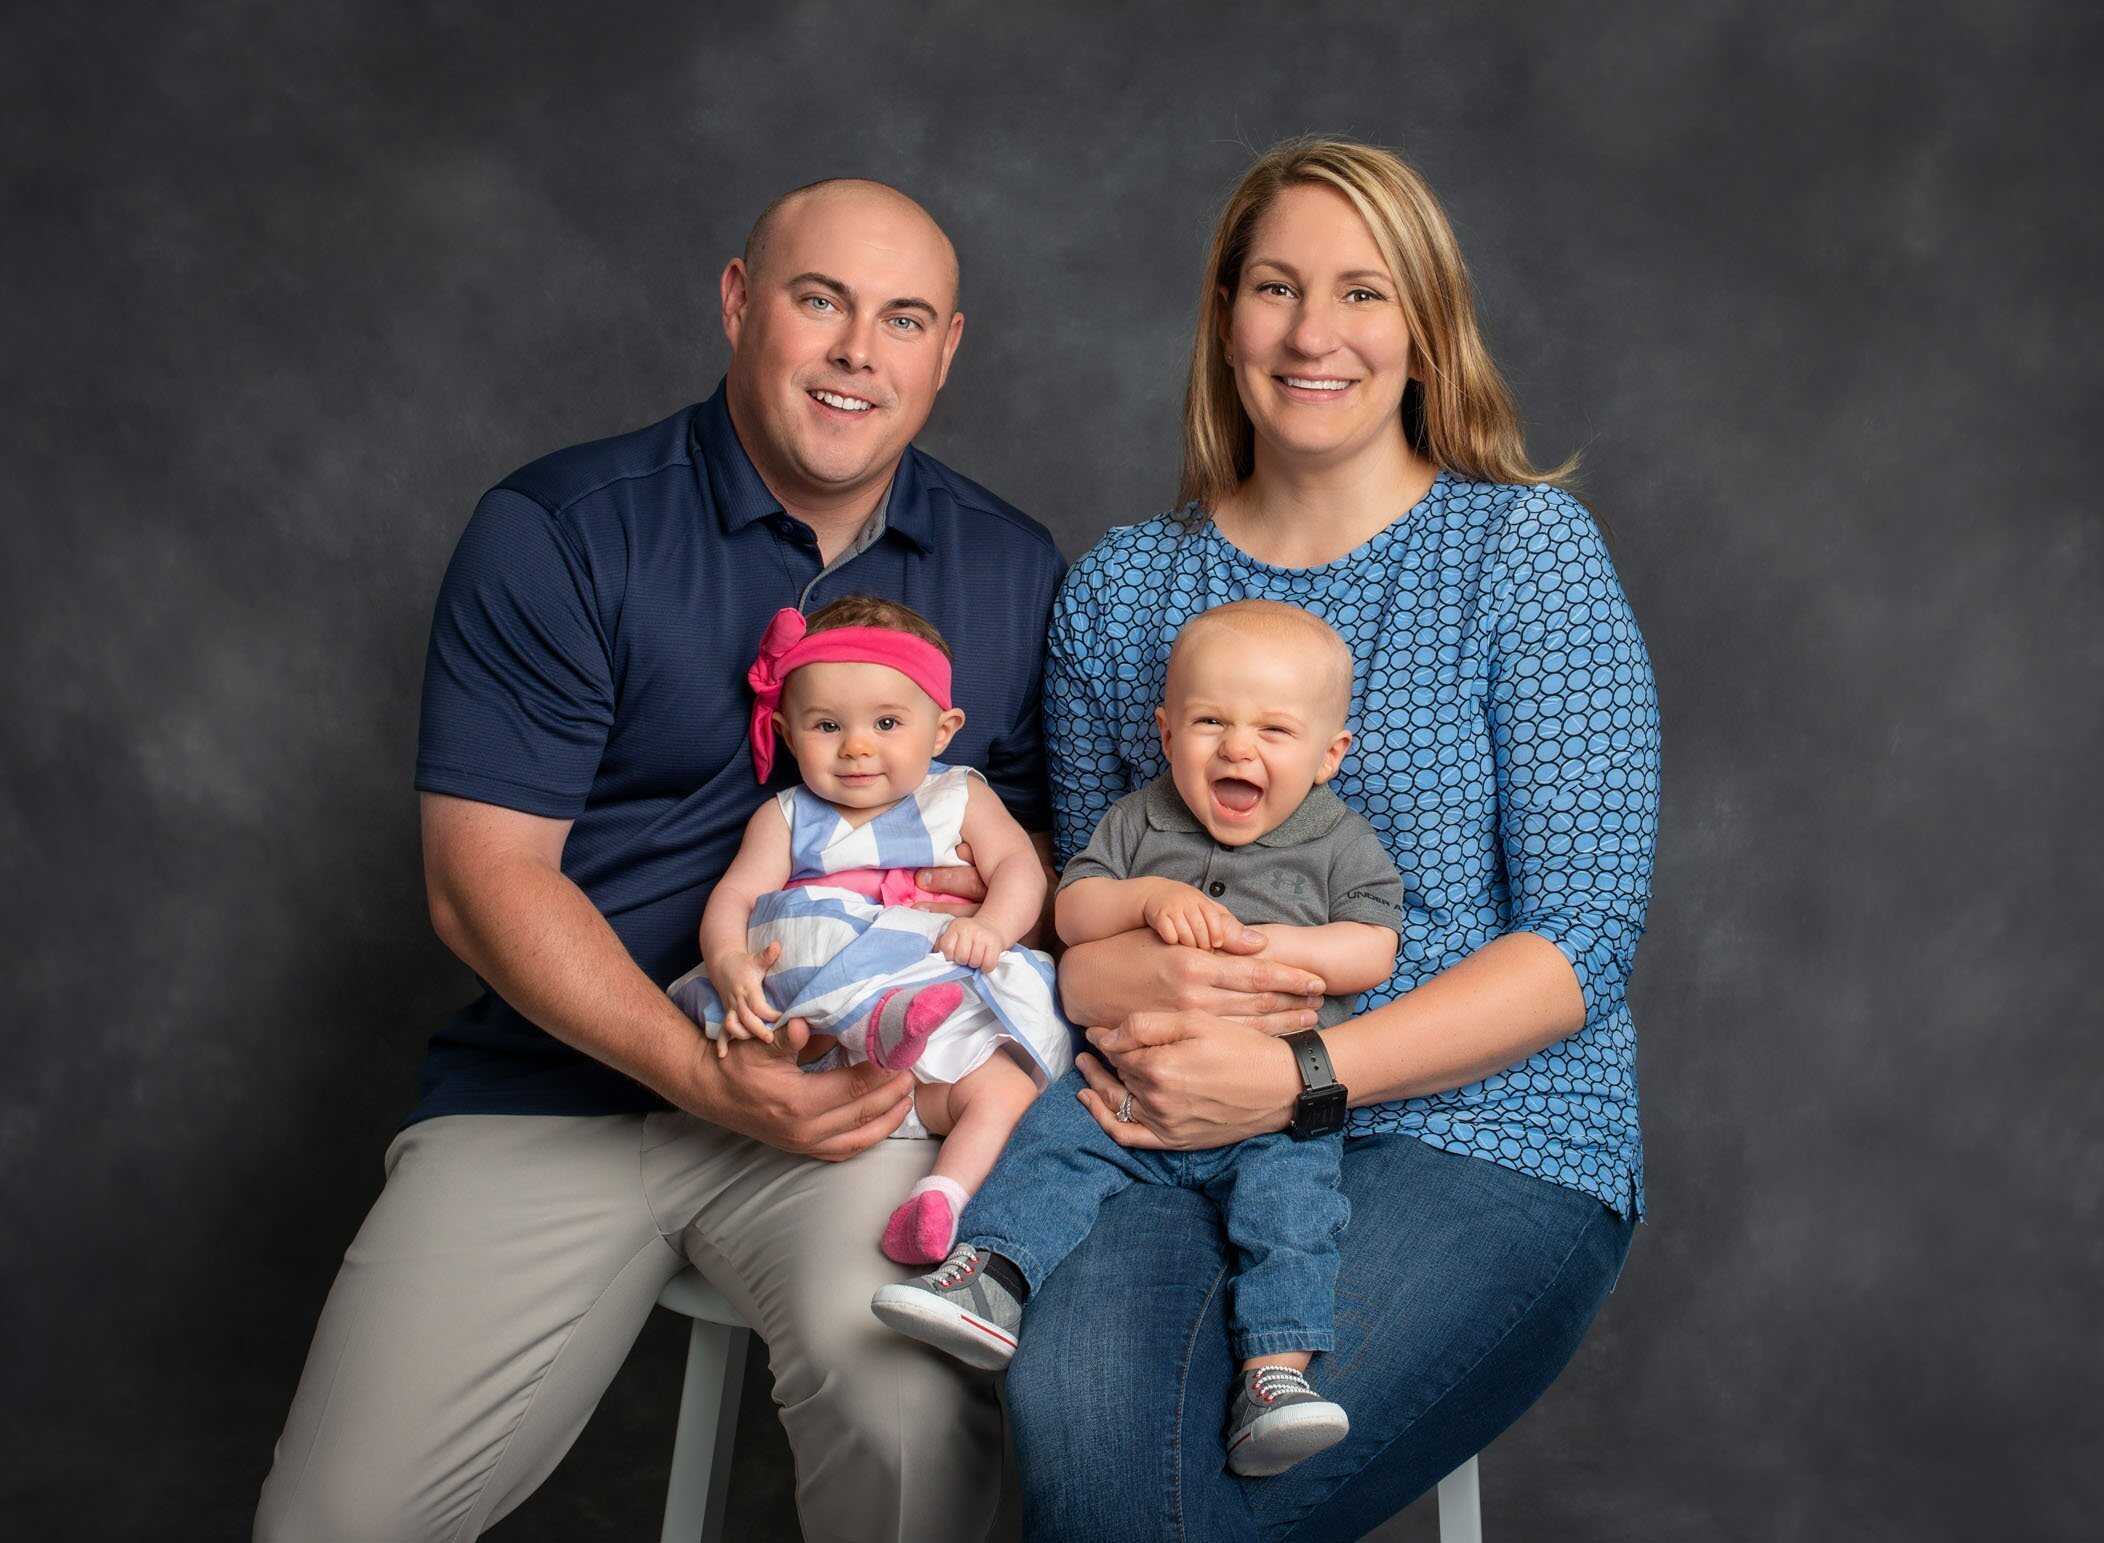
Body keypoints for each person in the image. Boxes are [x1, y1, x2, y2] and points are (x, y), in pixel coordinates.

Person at [253, 179, 1070, 1543]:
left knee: (914, 1425)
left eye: (904, 318)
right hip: (559, 1090)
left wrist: (989, 889)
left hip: (850, 1107)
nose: (861, 352)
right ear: (741, 301)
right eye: (823, 302)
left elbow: (1045, 852)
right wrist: (698, 1069)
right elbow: (482, 877)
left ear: (948, 348)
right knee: (337, 1517)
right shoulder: (564, 527)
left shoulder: (1010, 564)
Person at [998, 136, 1661, 1538]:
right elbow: (1079, 925)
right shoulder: (1124, 591)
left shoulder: (1524, 555)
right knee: (1075, 1440)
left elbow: (1580, 945)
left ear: (1423, 330)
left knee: (1188, 1501)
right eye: (1276, 289)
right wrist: (1169, 1025)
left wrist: (1295, 1075)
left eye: (1362, 293)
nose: (1314, 333)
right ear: (1223, 314)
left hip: (1491, 1138)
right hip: (1165, 1129)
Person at [871, 600, 1406, 1478]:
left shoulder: (1339, 841)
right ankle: (991, 1278)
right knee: (1047, 1143)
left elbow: (1373, 946)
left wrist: (1268, 949)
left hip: (1270, 1113)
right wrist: (1150, 901)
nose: (1238, 749)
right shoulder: (1140, 821)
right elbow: (1073, 911)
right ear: (1165, 732)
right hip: (1121, 1087)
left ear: (1329, 754)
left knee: (1296, 1214)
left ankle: (1275, 1375)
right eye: (1210, 722)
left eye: (1275, 729)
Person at [666, 595, 1073, 1265]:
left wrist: (992, 928)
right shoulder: (789, 815)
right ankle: (884, 1016)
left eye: (887, 722)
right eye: (827, 724)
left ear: (942, 731)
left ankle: (940, 1196)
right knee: (799, 956)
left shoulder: (961, 796)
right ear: (788, 732)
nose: (857, 746)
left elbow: (1020, 870)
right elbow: (734, 894)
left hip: (930, 1013)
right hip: (821, 1010)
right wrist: (726, 958)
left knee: (1007, 1088)